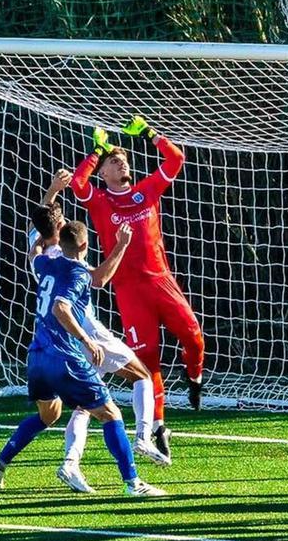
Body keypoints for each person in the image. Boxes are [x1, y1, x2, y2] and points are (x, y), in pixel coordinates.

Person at [0, 220, 165, 497]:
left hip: (36, 357)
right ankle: (133, 483)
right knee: (110, 414)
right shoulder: (78, 273)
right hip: (64, 356)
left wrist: (44, 233)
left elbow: (34, 253)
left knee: (50, 415)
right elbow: (61, 307)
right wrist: (85, 339)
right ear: (84, 245)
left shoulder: (44, 264)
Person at [70, 117, 206, 460]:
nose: (121, 164)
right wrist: (97, 150)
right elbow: (77, 184)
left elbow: (175, 159)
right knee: (148, 362)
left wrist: (149, 133)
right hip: (130, 292)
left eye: (124, 160)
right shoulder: (100, 201)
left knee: (194, 338)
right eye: (113, 162)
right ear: (104, 174)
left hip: (162, 281)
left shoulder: (146, 191)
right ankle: (158, 426)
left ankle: (194, 377)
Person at [30, 170, 169, 494]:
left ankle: (70, 462)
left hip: (56, 340)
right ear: (78, 241)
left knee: (85, 405)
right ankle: (142, 440)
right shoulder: (74, 265)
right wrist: (121, 245)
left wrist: (52, 191)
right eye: (61, 215)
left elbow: (44, 220)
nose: (62, 216)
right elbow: (97, 279)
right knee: (141, 376)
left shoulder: (38, 254)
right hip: (85, 331)